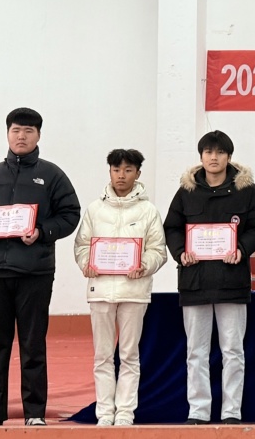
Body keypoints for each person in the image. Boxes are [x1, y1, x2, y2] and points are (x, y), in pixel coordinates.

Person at [0, 107, 81, 426]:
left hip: (35, 272)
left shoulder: (52, 175)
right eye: (16, 130)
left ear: (38, 135)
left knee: (32, 344)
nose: (21, 136)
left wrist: (42, 231)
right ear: (7, 134)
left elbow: (70, 214)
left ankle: (35, 412)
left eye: (28, 131)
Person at [163, 131, 255, 425]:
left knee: (233, 351)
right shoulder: (187, 191)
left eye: (220, 152)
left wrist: (242, 249)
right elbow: (171, 227)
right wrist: (181, 252)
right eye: (208, 152)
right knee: (195, 352)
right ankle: (198, 411)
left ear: (229, 157)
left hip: (232, 280)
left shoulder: (246, 190)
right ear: (201, 156)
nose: (214, 157)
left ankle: (231, 411)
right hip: (194, 281)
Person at [73, 149, 167, 426]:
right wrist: (86, 264)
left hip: (134, 292)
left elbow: (158, 250)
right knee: (102, 356)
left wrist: (144, 265)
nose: (121, 175)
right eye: (116, 170)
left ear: (138, 173)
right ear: (110, 172)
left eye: (128, 170)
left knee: (129, 355)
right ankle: (105, 412)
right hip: (100, 291)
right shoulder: (95, 209)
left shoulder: (148, 211)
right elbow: (82, 245)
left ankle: (125, 412)